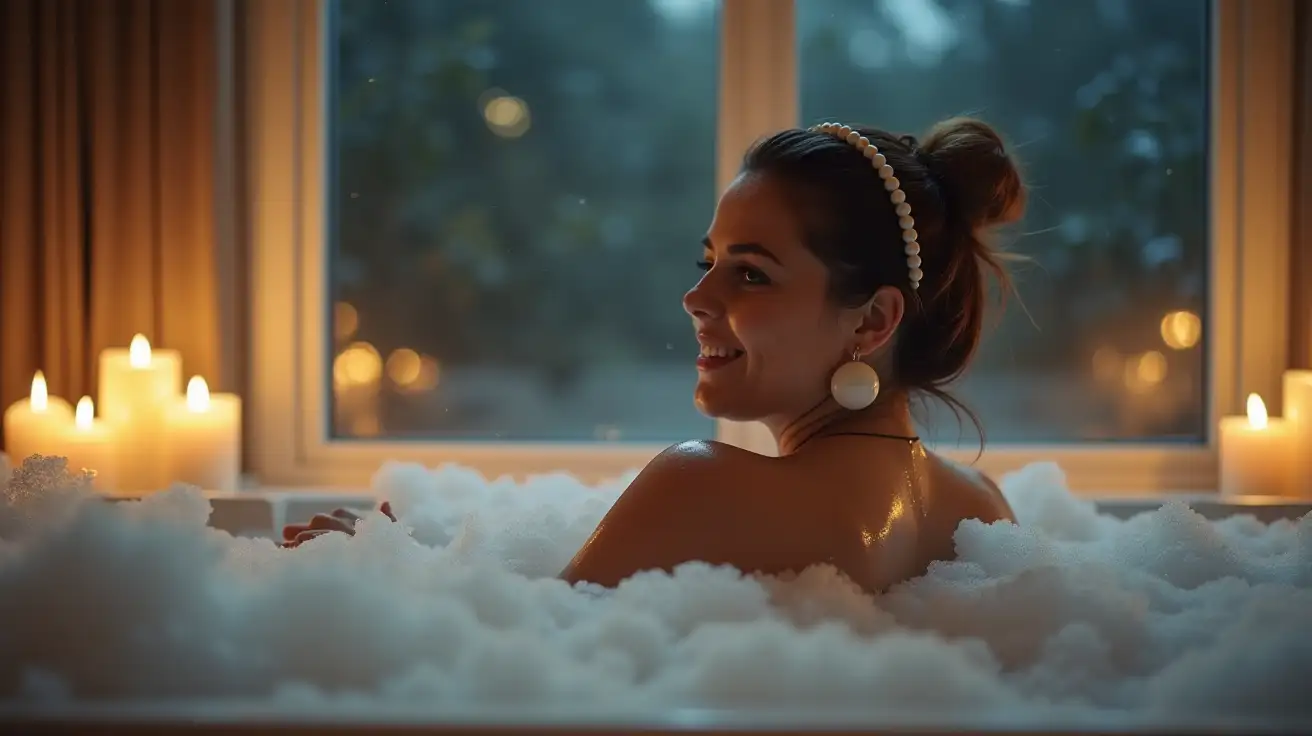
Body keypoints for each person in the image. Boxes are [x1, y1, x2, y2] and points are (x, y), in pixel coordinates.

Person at [284, 117, 1024, 595]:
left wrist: (375, 574)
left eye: (750, 272)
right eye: (708, 261)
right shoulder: (985, 517)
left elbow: (507, 671)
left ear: (873, 322)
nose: (696, 298)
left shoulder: (699, 487)